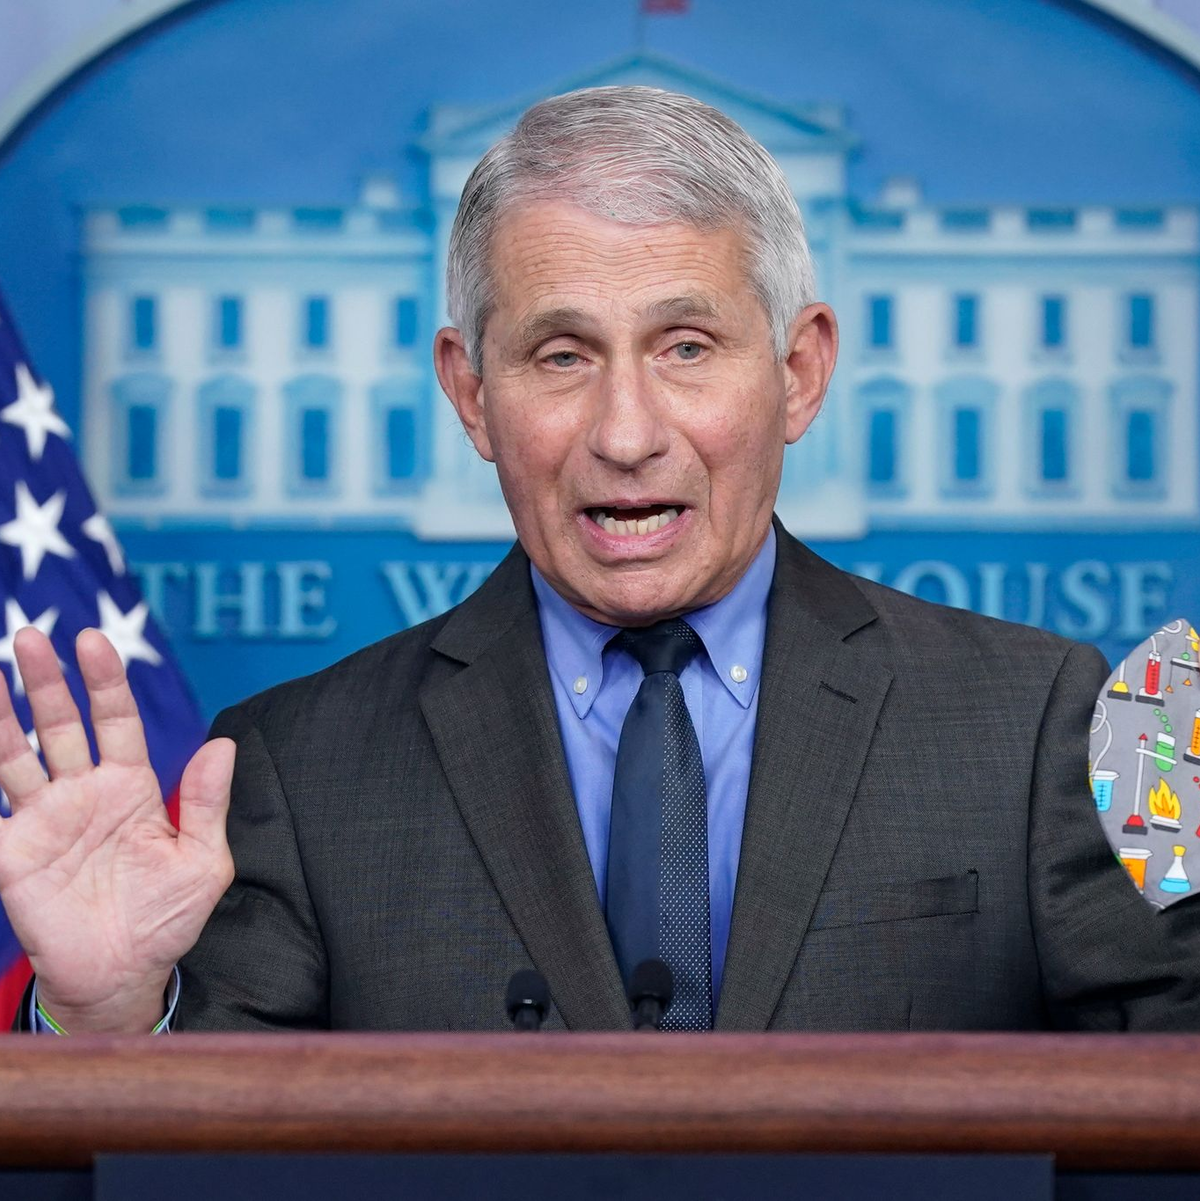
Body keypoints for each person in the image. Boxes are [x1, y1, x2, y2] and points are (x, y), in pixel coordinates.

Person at [3, 85, 1197, 1034]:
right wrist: (104, 1022)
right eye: (561, 356)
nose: (627, 434)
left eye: (686, 345)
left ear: (798, 371)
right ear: (472, 395)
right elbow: (195, 1170)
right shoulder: (286, 767)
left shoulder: (1088, 715)